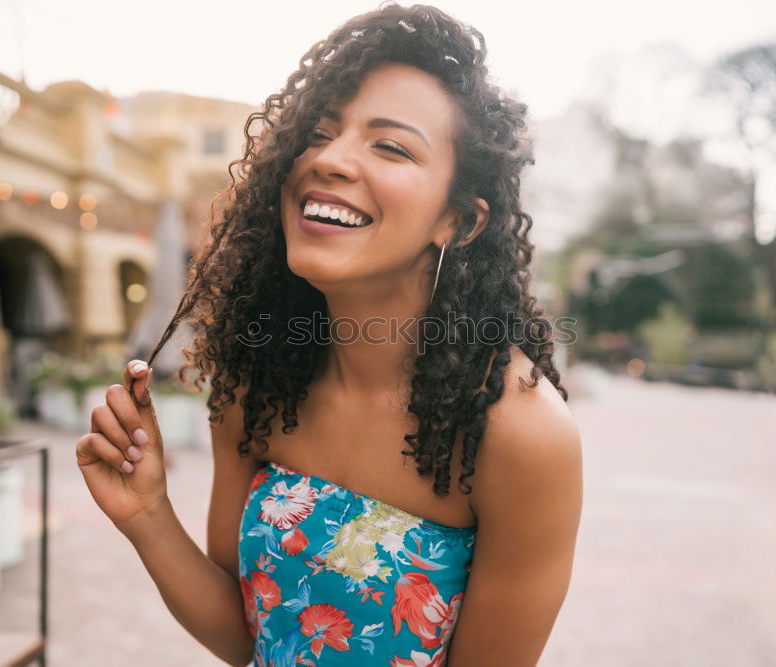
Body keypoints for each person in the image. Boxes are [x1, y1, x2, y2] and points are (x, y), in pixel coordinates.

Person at [76, 3, 583, 665]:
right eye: (319, 132)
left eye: (391, 146)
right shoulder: (258, 379)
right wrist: (147, 514)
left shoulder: (519, 437)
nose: (331, 160)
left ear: (458, 221)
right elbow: (247, 633)